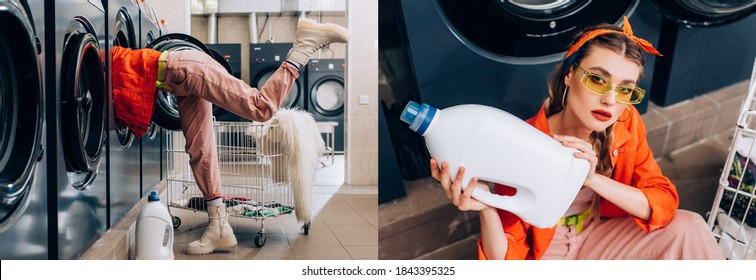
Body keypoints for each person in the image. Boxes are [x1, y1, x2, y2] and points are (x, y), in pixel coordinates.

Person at [430, 17, 724, 260]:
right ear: (569, 75)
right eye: (597, 79)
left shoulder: (625, 122)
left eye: (625, 89)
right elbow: (507, 259)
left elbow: (662, 201)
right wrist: (487, 208)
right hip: (550, 250)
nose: (610, 100)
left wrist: (593, 178)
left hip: (599, 233)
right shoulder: (524, 141)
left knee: (689, 226)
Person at [110, 18, 349, 255]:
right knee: (199, 150)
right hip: (179, 81)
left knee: (261, 107)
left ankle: (303, 47)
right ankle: (219, 228)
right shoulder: (106, 61)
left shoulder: (104, 62)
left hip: (185, 69)